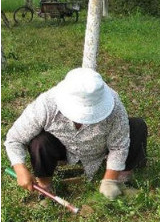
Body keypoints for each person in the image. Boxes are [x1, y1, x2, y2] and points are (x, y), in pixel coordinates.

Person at [4, 68, 147, 201]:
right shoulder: (47, 104)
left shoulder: (114, 104)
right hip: (63, 148)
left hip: (101, 148)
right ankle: (45, 187)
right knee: (39, 142)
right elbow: (14, 139)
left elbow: (119, 146)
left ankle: (121, 181)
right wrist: (20, 168)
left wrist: (110, 179)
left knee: (136, 126)